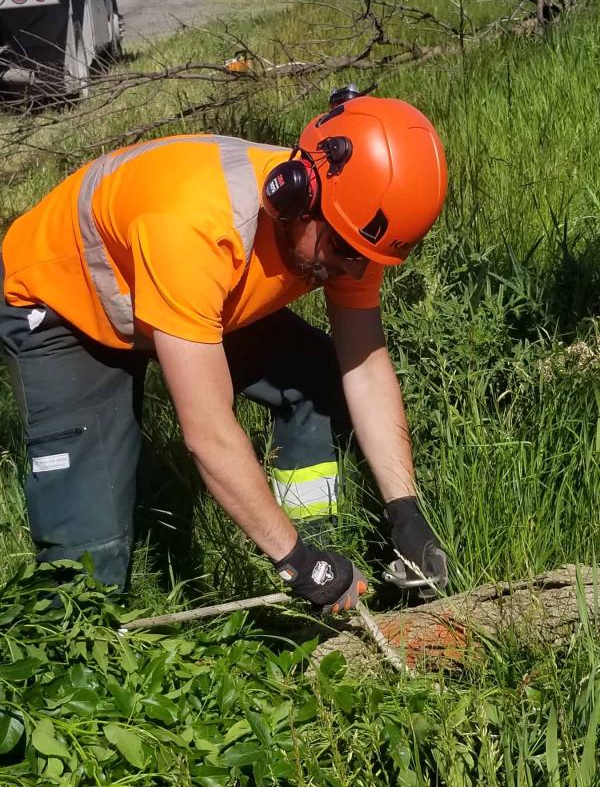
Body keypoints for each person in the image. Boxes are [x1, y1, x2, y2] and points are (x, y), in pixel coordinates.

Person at [0, 87, 448, 613]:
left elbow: (366, 368)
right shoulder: (196, 225)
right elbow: (208, 433)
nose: (352, 272)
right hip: (65, 307)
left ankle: (314, 539)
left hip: (195, 297)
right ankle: (69, 664)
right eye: (346, 251)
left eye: (368, 259)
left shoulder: (344, 232)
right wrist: (298, 565)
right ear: (295, 196)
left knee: (317, 382)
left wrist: (406, 511)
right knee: (88, 564)